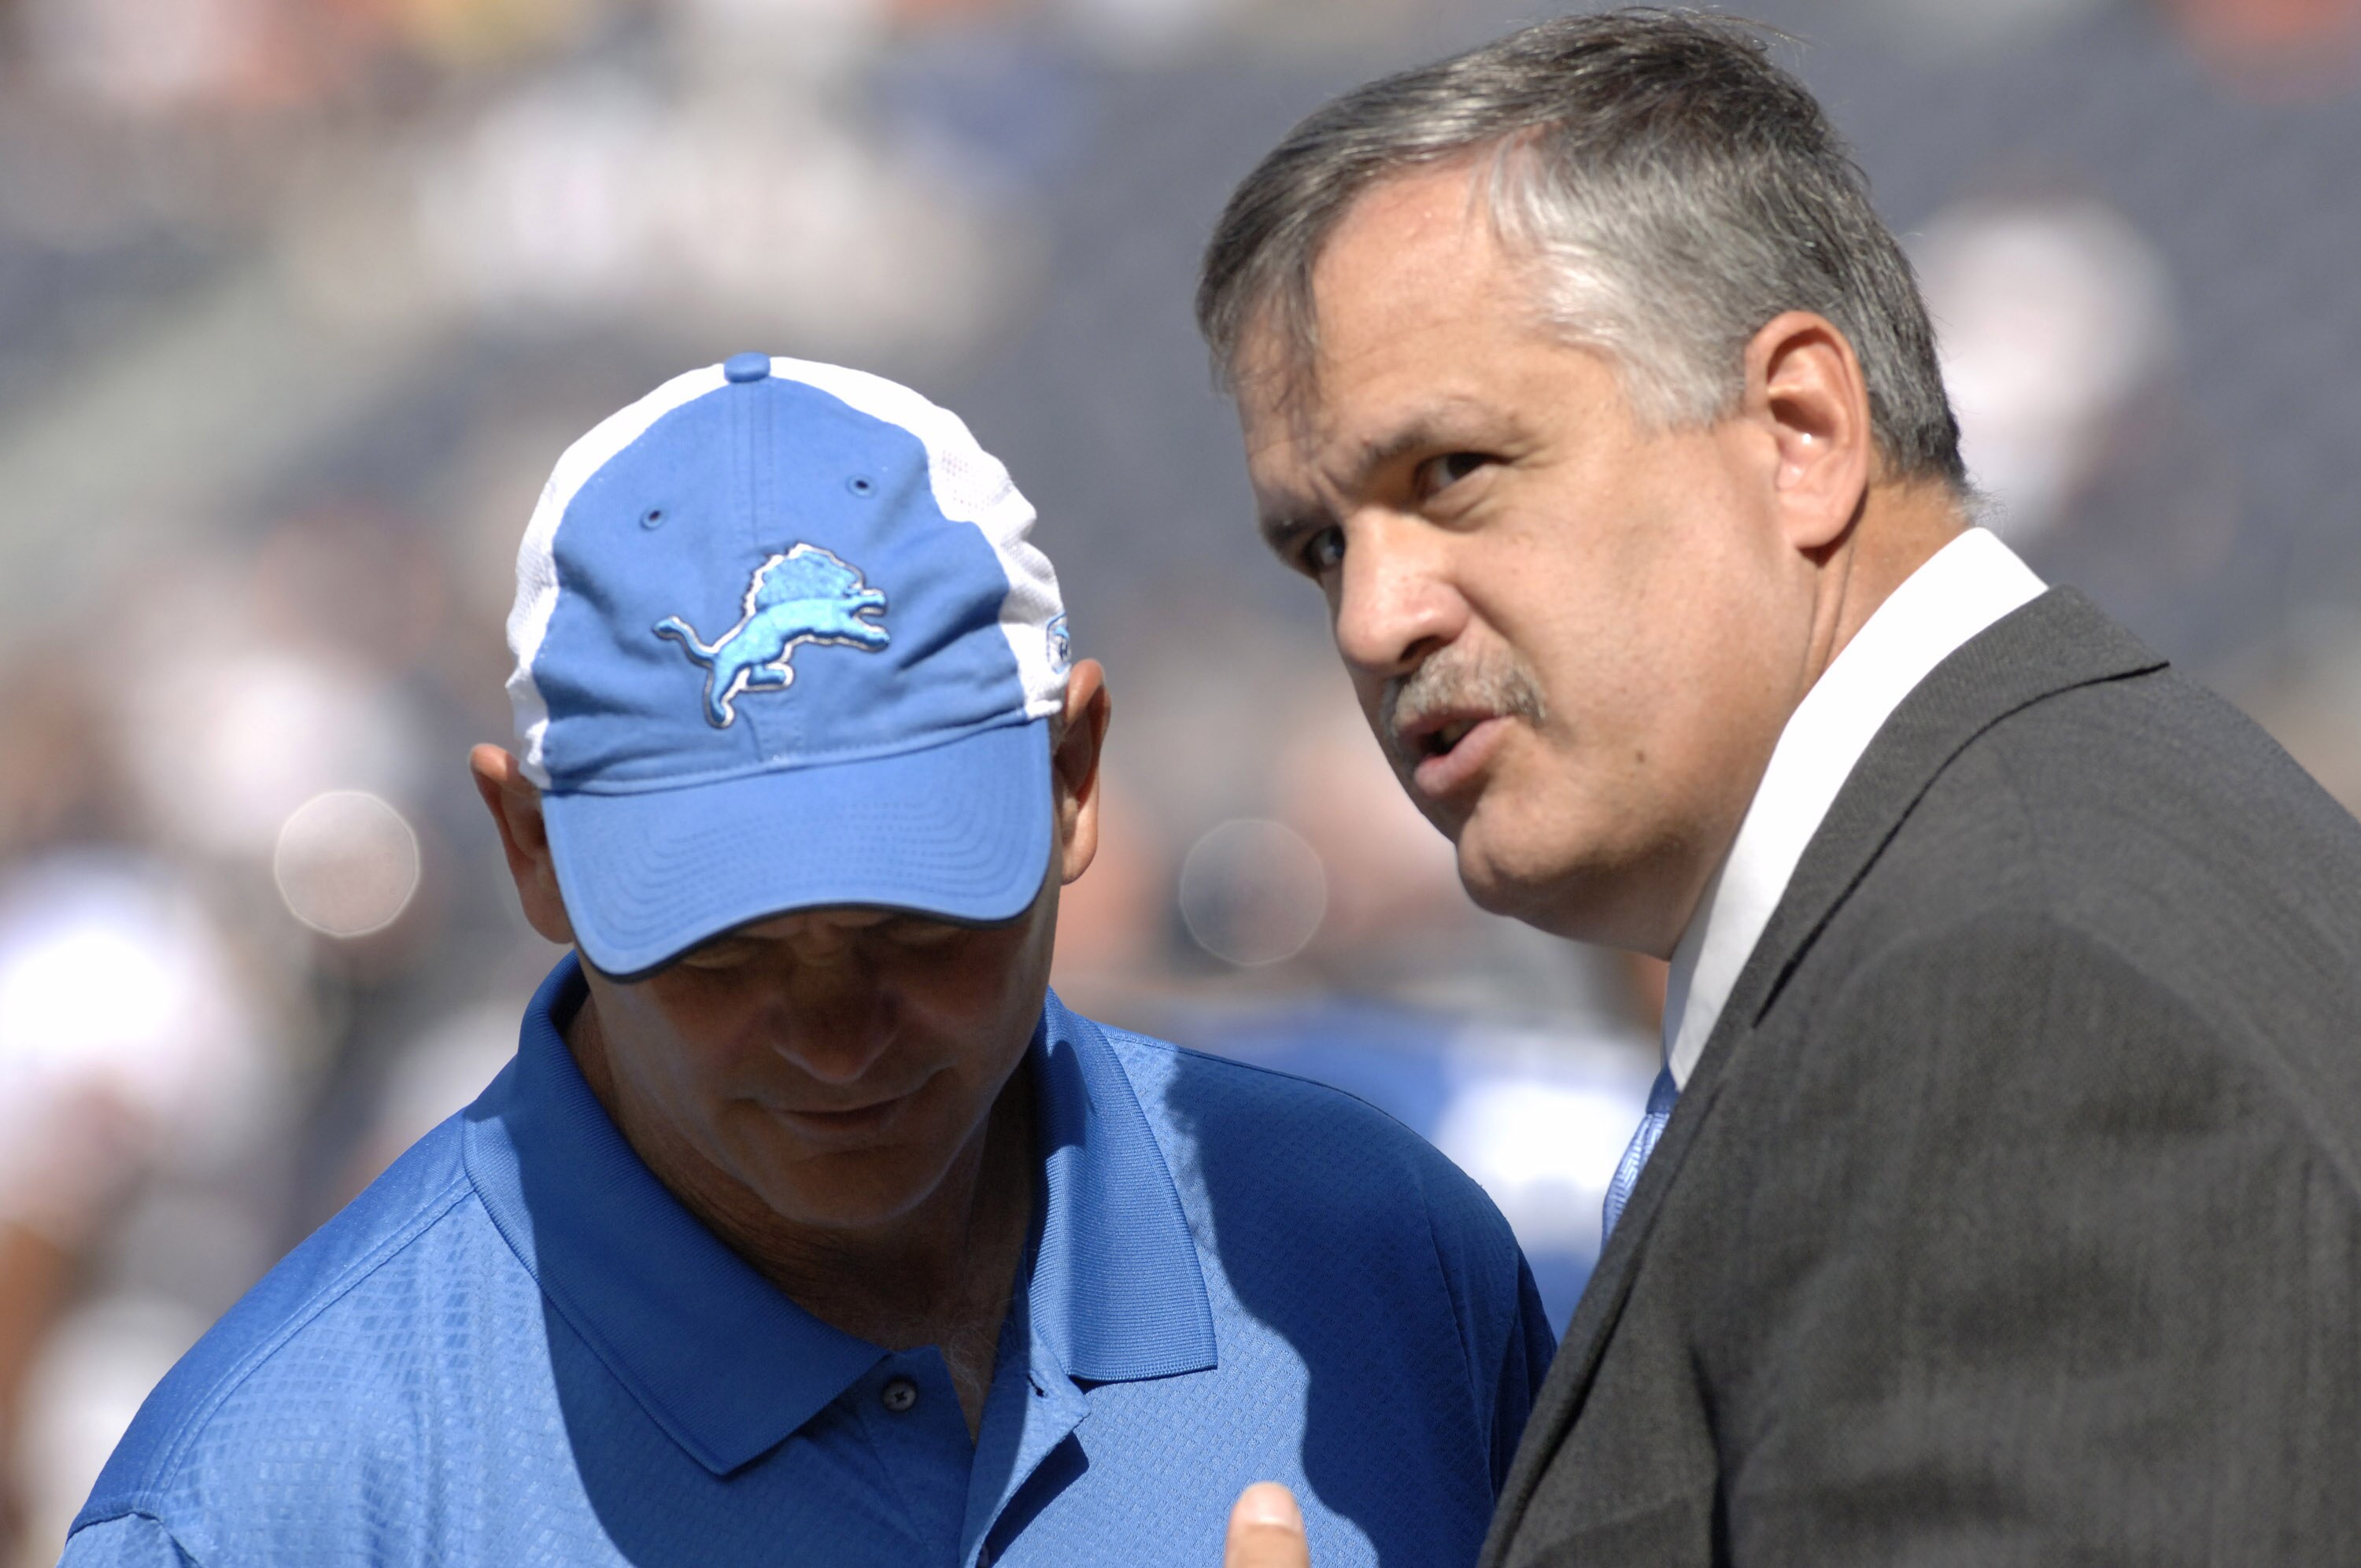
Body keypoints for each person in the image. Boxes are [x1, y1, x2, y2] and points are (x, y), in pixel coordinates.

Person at [57, 355, 1554, 1567]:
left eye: (920, 926)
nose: (837, 1035)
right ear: (534, 855)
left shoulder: (1380, 1265)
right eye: (723, 951)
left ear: (1076, 778)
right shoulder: (276, 1503)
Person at [1197, 13, 2361, 1566]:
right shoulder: (2000, 878)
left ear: (1802, 433)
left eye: (1453, 473)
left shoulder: (2009, 991)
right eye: (1322, 544)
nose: (1373, 616)